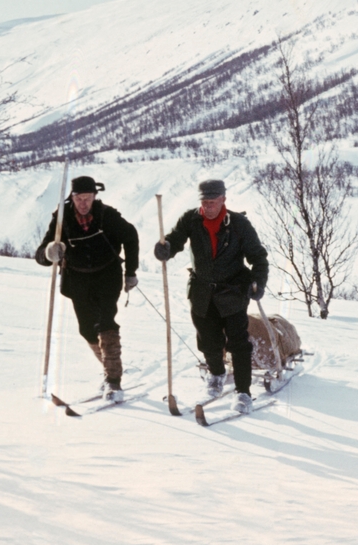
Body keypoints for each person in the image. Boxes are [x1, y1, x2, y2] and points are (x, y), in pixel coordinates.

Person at [154, 179, 269, 414]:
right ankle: (216, 375)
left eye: (212, 202)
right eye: (204, 202)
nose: (208, 206)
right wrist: (165, 248)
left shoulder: (238, 224)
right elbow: (175, 239)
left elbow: (258, 256)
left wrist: (258, 281)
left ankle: (243, 392)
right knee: (208, 340)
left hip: (233, 291)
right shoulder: (191, 219)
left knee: (238, 342)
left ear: (223, 200)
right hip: (202, 290)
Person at [36, 176, 139, 402]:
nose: (83, 203)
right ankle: (110, 367)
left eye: (88, 198)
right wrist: (49, 252)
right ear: (72, 197)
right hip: (77, 280)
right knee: (86, 330)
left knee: (106, 323)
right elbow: (41, 253)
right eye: (79, 198)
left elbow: (130, 236)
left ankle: (114, 381)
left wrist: (131, 271)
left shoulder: (107, 215)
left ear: (95, 196)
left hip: (107, 276)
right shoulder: (62, 219)